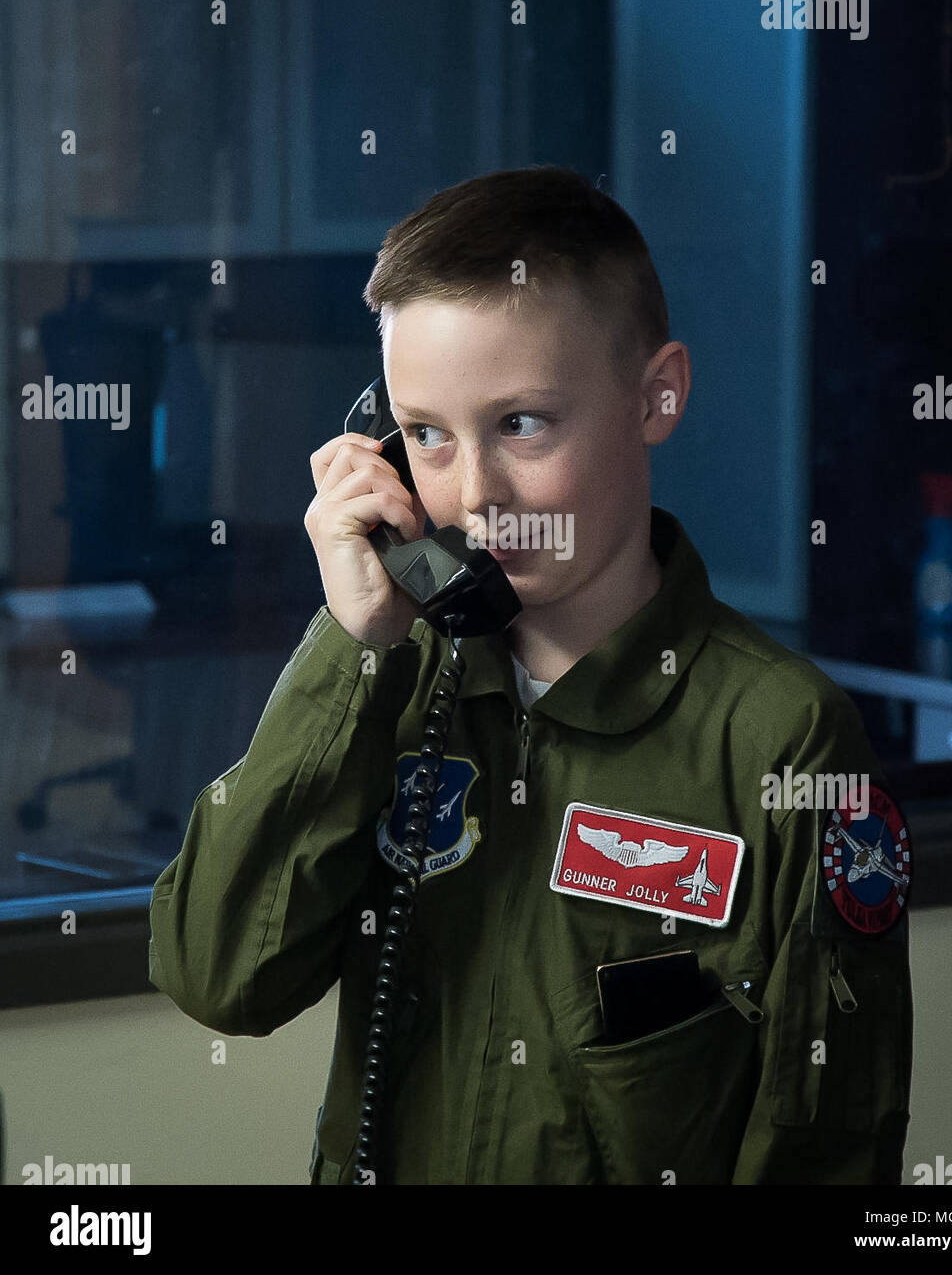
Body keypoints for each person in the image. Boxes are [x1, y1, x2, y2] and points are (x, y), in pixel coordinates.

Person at [148, 165, 912, 1185]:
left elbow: (826, 1154)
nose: (471, 497)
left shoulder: (781, 736)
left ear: (657, 393)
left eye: (521, 425)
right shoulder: (389, 683)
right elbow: (218, 976)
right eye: (424, 434)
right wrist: (353, 645)